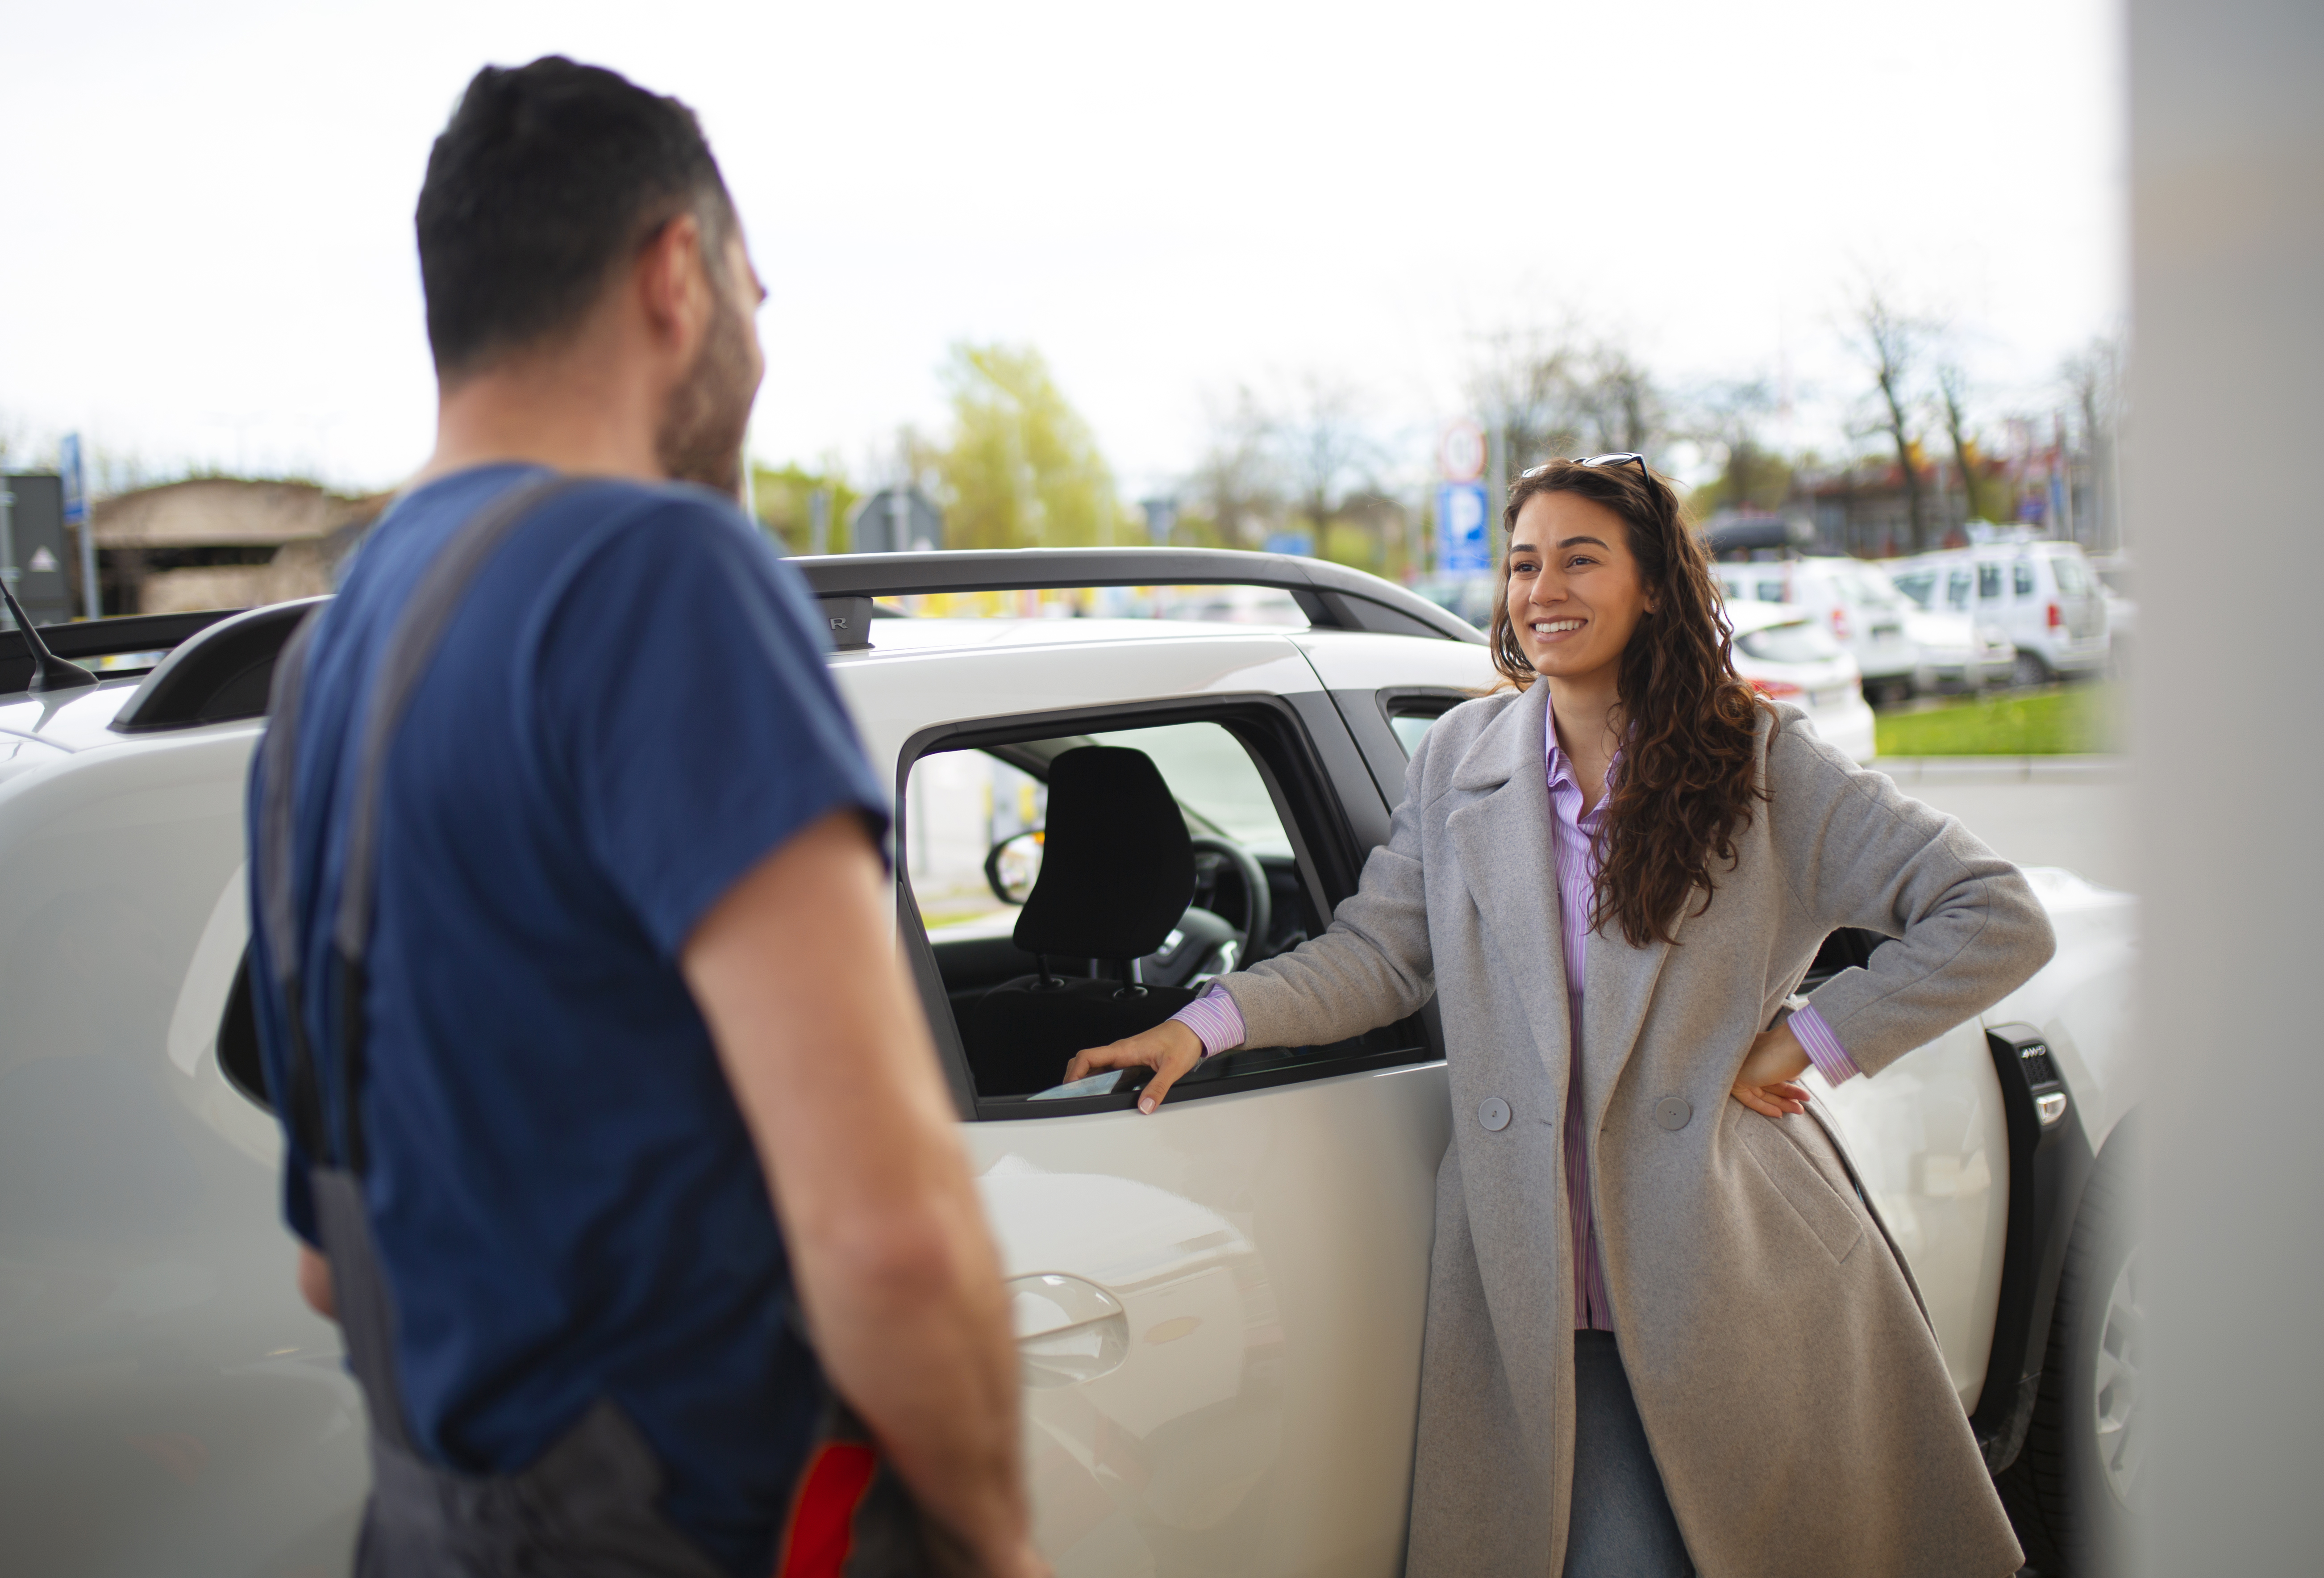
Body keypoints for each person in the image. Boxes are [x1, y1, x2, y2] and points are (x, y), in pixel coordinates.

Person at [245, 58, 1041, 1578]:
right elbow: (891, 1236)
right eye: (756, 285)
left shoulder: (321, 665)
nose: (756, 330)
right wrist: (1003, 1547)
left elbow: (324, 1266)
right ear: (676, 272)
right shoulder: (650, 571)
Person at [1066, 454, 2054, 1577]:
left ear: (1650, 587)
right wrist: (1207, 1021)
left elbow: (1993, 913)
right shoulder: (1456, 761)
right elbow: (1378, 956)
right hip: (1536, 1285)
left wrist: (1806, 1040)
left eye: (1580, 559)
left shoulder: (1758, 761)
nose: (1544, 589)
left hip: (1727, 1266)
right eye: (1524, 563)